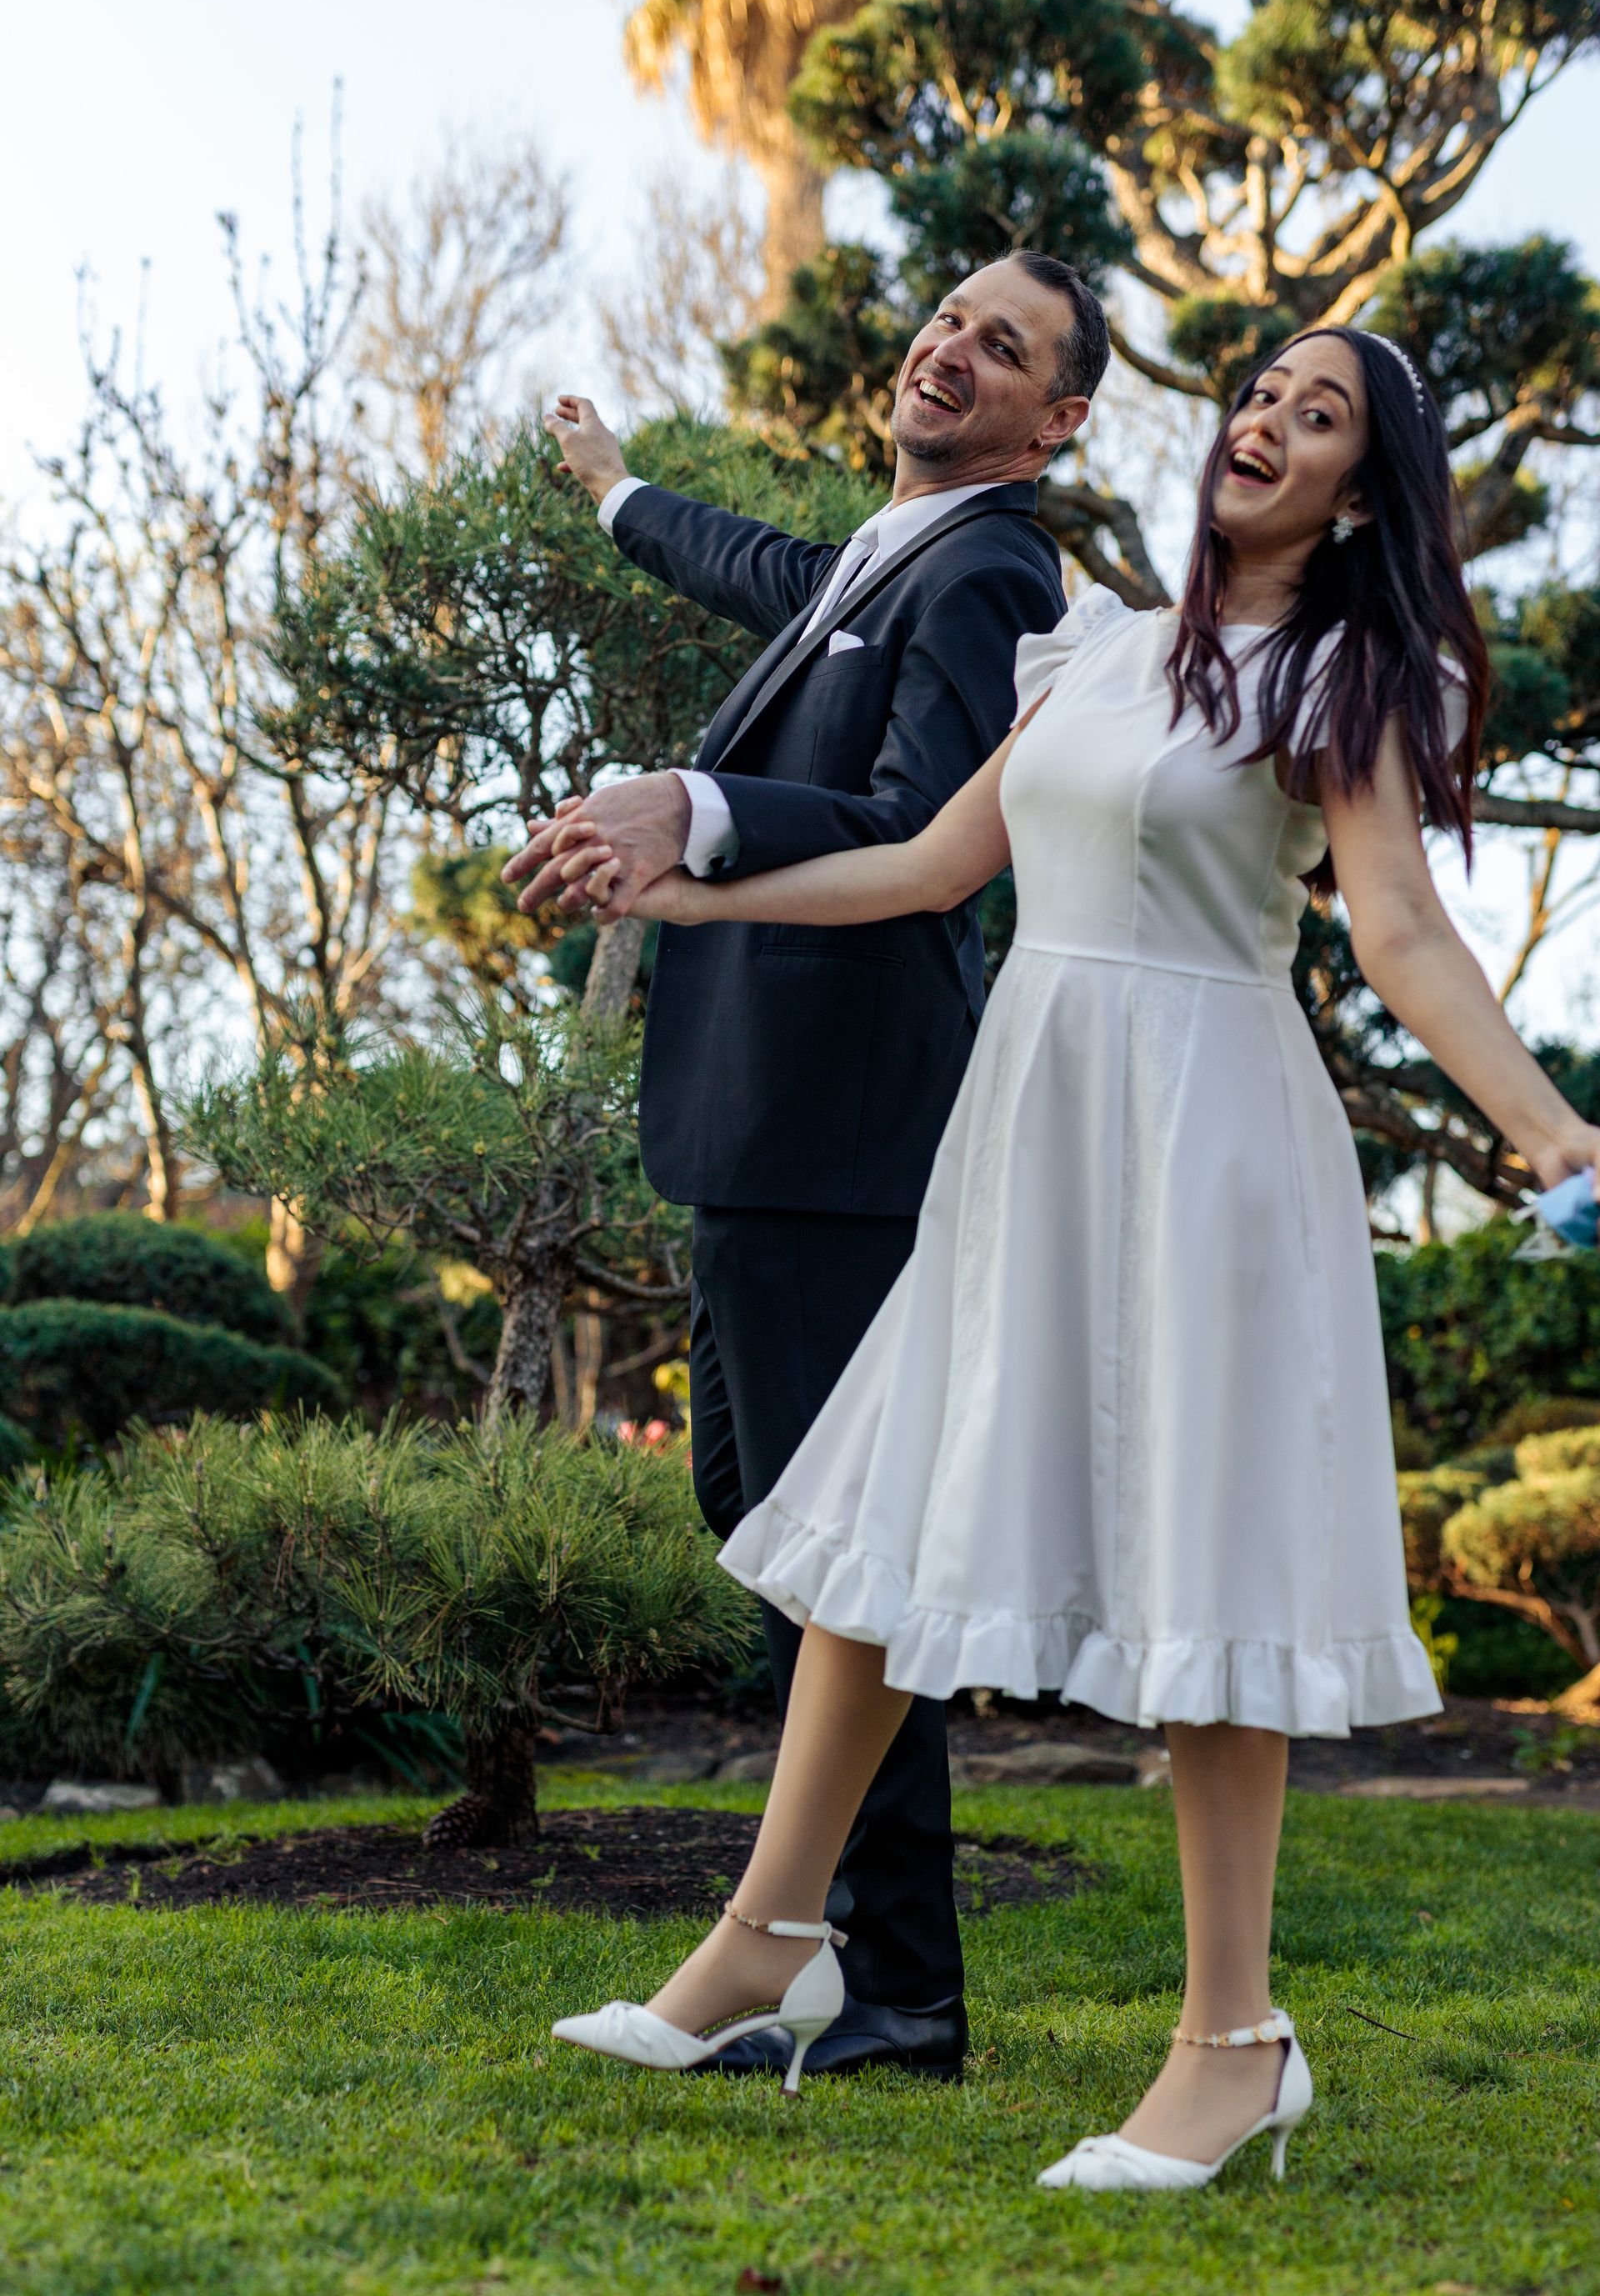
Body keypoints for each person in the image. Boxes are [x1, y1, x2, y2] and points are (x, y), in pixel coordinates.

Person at [545, 327, 1600, 2188]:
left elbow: (1406, 939)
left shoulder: (1347, 672)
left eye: (1322, 415)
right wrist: (694, 892)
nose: (1268, 421)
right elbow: (931, 866)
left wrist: (1554, 1129)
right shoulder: (1102, 645)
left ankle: (1231, 2044)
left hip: (1207, 1138)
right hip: (1030, 1124)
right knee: (883, 1515)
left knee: (1210, 1560)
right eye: (1264, 392)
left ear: (1364, 491)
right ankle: (769, 1941)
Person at [504, 253, 1112, 2083]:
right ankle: (840, 1945)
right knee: (769, 1530)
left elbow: (919, 828)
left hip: (840, 1129)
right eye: (947, 319)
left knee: (844, 1568)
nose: (950, 349)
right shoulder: (885, 549)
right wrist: (613, 485)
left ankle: (900, 1986)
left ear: (1054, 422)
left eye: (1001, 348)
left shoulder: (995, 564)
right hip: (756, 1128)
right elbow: (753, 570)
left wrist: (680, 810)